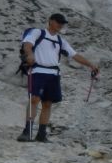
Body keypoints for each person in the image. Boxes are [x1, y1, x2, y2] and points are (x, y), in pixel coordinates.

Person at [17, 13, 100, 143]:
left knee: (47, 103)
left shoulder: (61, 40)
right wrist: (30, 54)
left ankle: (41, 134)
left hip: (53, 74)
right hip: (37, 70)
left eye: (62, 23)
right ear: (50, 21)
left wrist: (91, 65)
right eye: (58, 22)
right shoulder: (37, 33)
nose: (60, 25)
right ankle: (27, 132)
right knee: (34, 99)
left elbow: (74, 55)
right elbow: (27, 44)